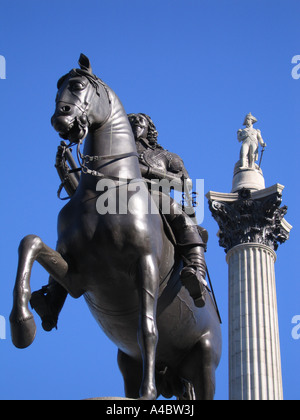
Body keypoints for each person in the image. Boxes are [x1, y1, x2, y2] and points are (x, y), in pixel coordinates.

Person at [128, 113, 208, 308]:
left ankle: (197, 272)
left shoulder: (167, 156)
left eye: (141, 120)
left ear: (150, 128)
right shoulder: (113, 150)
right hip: (115, 197)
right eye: (131, 120)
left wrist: (147, 172)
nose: (136, 122)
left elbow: (185, 183)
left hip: (155, 196)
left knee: (184, 221)